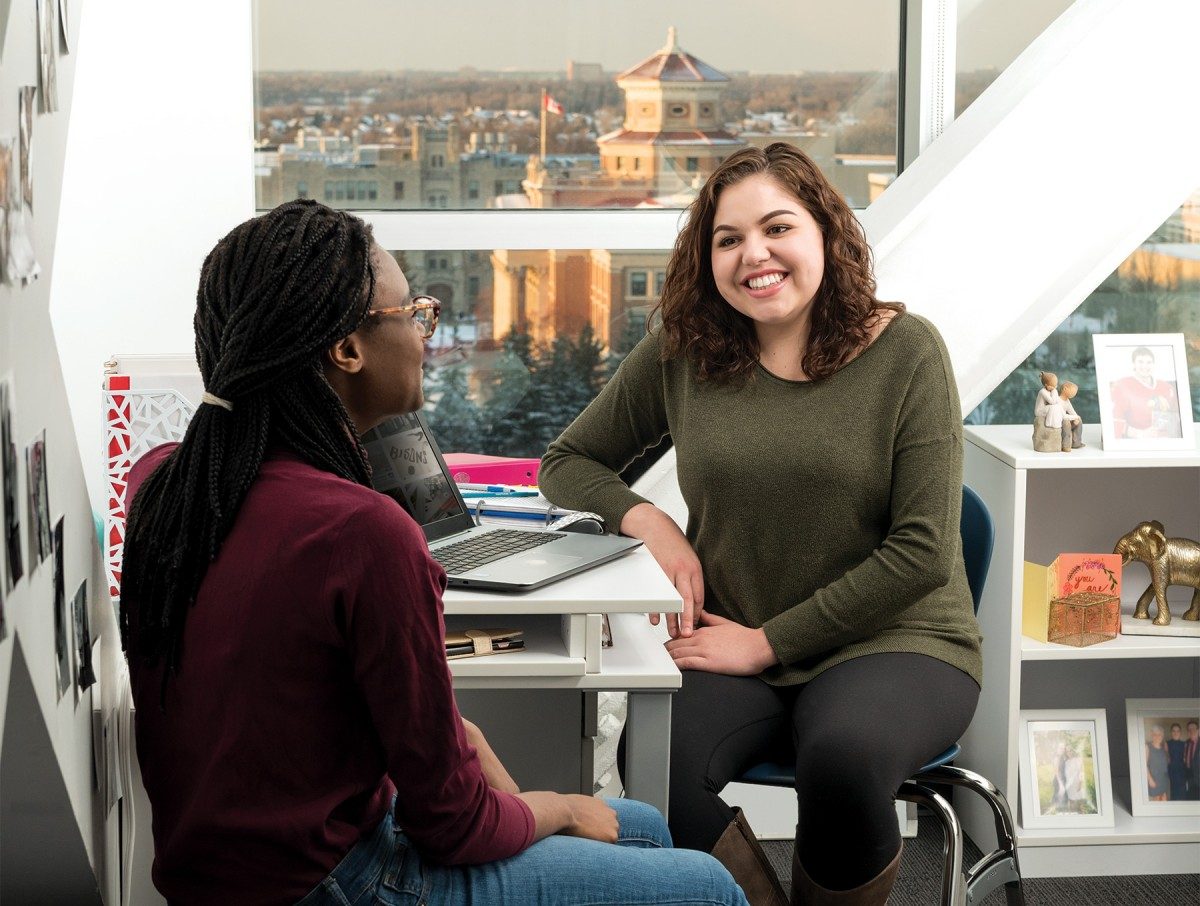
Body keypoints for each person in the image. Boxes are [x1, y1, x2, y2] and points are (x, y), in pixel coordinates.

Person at [120, 200, 748, 906]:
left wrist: (462, 739)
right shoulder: (366, 534)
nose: (427, 337)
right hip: (332, 884)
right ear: (347, 349)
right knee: (707, 887)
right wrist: (560, 807)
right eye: (414, 315)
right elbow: (454, 827)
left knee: (640, 828)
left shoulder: (166, 485)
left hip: (226, 875)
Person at [539, 143, 982, 906]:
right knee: (651, 764)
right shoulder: (685, 351)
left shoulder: (908, 352)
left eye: (778, 228)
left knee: (840, 760)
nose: (755, 255)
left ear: (825, 234)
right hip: (731, 632)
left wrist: (767, 643)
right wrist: (654, 524)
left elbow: (923, 554)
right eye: (729, 239)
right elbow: (569, 460)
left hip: (896, 640)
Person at [1109, 346, 1181, 439]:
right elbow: (1114, 420)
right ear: (1133, 364)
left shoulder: (1167, 387)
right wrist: (1139, 434)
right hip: (1137, 442)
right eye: (1140, 362)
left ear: (1153, 364)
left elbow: (1177, 416)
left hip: (1166, 441)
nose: (1145, 366)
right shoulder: (1122, 385)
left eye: (1149, 362)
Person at [1057, 381, 1085, 450]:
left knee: (1079, 420)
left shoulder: (1067, 401)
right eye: (1073, 391)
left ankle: (1076, 443)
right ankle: (1065, 445)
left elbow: (1072, 412)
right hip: (1059, 422)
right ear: (1065, 389)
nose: (1075, 393)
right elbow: (1062, 416)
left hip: (1065, 419)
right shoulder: (1057, 400)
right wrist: (1075, 417)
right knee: (1066, 422)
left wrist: (1076, 418)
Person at [1147, 725, 1170, 801]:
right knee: (1157, 801)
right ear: (1151, 735)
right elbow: (1144, 765)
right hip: (1154, 779)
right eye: (1155, 734)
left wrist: (1167, 752)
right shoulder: (1147, 747)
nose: (1157, 737)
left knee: (1164, 799)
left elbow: (1167, 761)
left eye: (1159, 735)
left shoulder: (1164, 747)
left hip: (1163, 779)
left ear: (1162, 736)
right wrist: (1150, 780)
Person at [1166, 722, 1187, 800]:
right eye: (1174, 731)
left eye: (1178, 731)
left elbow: (1186, 759)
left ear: (1180, 732)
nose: (1176, 733)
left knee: (1182, 795)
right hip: (1170, 774)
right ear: (1171, 732)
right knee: (1172, 796)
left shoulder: (1184, 744)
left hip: (1182, 774)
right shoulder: (1166, 744)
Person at [1184, 719, 1200, 800]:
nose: (1191, 731)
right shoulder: (1186, 743)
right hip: (1189, 778)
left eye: (1193, 729)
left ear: (1198, 730)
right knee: (1190, 800)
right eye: (1189, 730)